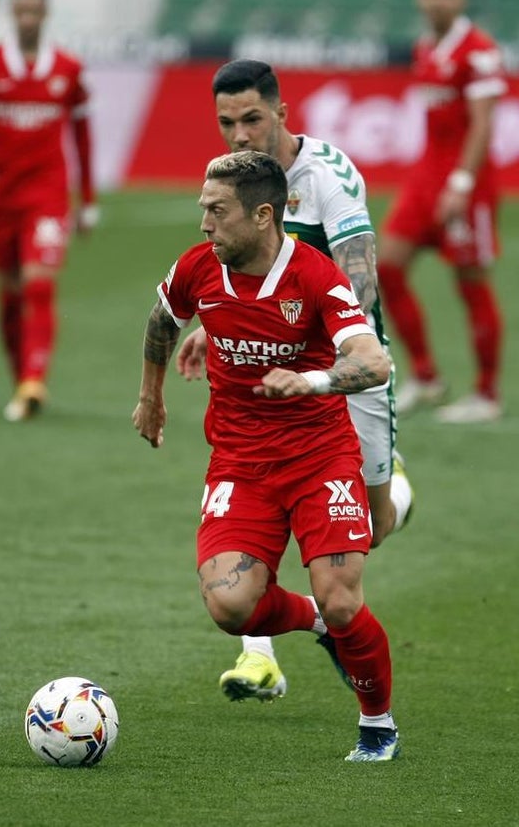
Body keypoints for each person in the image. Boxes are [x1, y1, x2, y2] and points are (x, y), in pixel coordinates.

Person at [132, 150, 401, 763]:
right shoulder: (197, 269)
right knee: (230, 607)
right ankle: (318, 627)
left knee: (342, 597)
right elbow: (160, 321)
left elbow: (375, 361)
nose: (204, 223)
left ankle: (377, 724)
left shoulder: (315, 276)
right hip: (240, 463)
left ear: (261, 215)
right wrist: (151, 398)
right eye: (203, 208)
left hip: (320, 458)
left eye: (216, 211)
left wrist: (309, 382)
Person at [175, 59, 413, 703]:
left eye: (252, 118)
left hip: (346, 371)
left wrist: (327, 351)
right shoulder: (240, 182)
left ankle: (398, 503)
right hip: (265, 378)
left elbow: (358, 281)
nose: (240, 134)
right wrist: (216, 326)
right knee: (258, 506)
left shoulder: (327, 176)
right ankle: (261, 655)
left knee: (373, 520)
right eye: (226, 122)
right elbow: (238, 274)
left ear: (282, 112)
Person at [0, 0, 98, 422]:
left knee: (39, 282)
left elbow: (83, 136)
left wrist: (87, 200)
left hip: (48, 194)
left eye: (35, 10)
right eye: (22, 10)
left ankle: (35, 379)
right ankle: (21, 382)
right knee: (10, 298)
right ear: (12, 13)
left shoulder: (68, 68)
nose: (29, 18)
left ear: (45, 13)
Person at [378, 0, 507, 423]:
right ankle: (427, 376)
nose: (437, 0)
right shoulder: (425, 48)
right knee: (385, 268)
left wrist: (461, 183)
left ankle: (487, 394)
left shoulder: (479, 52)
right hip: (423, 178)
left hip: (464, 185)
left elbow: (482, 123)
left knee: (471, 283)